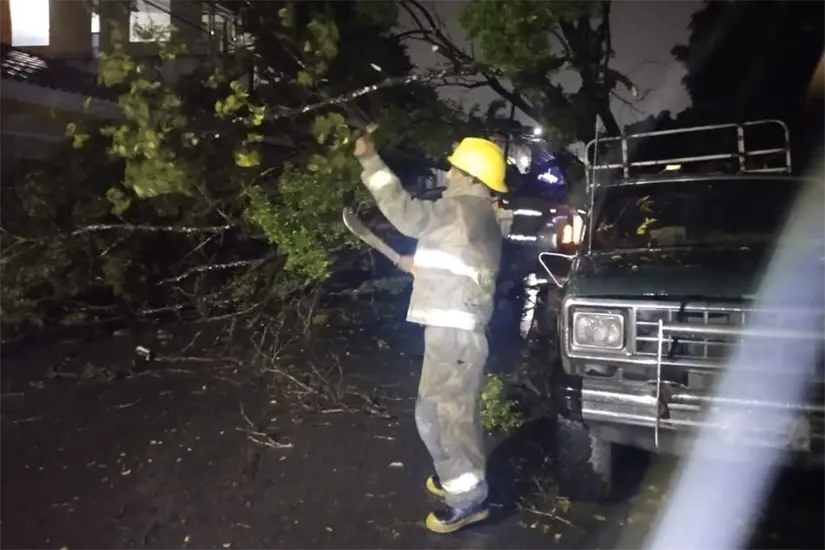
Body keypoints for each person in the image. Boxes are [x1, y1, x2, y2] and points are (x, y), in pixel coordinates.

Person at [353, 132, 507, 534]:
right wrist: (416, 264)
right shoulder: (477, 216)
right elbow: (458, 260)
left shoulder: (458, 209)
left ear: (470, 176)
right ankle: (455, 476)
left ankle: (469, 498)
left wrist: (371, 161)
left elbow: (403, 212)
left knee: (445, 416)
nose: (450, 173)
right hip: (453, 332)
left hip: (454, 334)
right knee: (437, 412)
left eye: (455, 168)